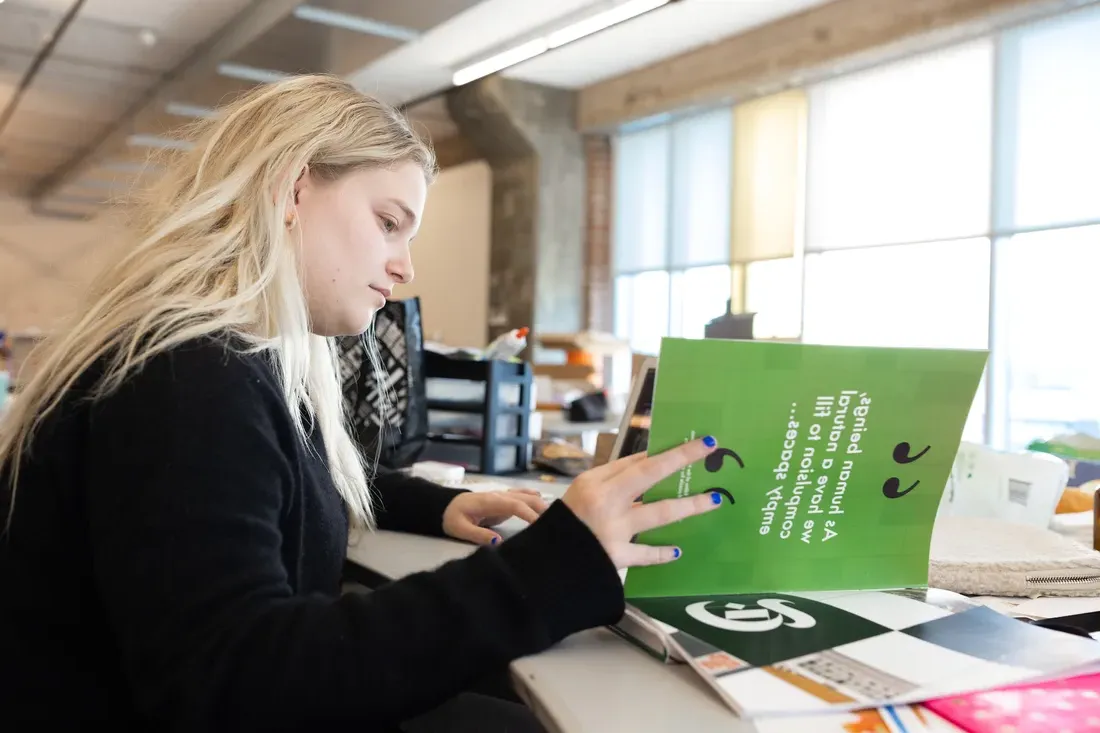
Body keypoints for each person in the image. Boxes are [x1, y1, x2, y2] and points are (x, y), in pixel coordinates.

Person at [0, 75, 724, 732]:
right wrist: (552, 566)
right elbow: (235, 682)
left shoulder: (221, 361)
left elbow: (269, 482)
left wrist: (430, 505)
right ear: (291, 190)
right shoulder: (186, 381)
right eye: (388, 222)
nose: (404, 266)